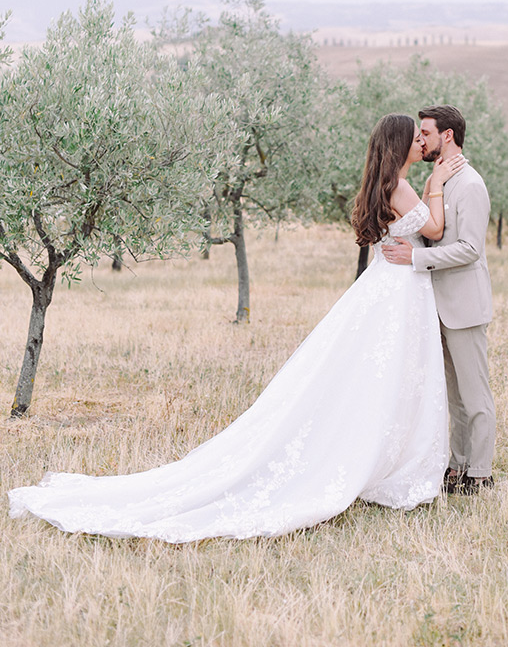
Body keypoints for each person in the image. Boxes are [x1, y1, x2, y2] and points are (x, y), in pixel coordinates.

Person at [8, 114, 463, 543]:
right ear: (400, 145)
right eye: (416, 138)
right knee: (389, 374)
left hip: (393, 286)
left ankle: (389, 459)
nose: (421, 143)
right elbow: (438, 229)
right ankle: (387, 463)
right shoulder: (403, 188)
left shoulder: (387, 185)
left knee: (387, 374)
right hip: (399, 288)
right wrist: (437, 183)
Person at [382, 105, 495, 494]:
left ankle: (480, 473)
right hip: (432, 306)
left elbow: (469, 249)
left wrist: (415, 257)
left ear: (447, 136)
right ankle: (456, 468)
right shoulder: (438, 179)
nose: (420, 140)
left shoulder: (471, 185)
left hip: (463, 305)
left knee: (475, 394)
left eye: (426, 133)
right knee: (453, 396)